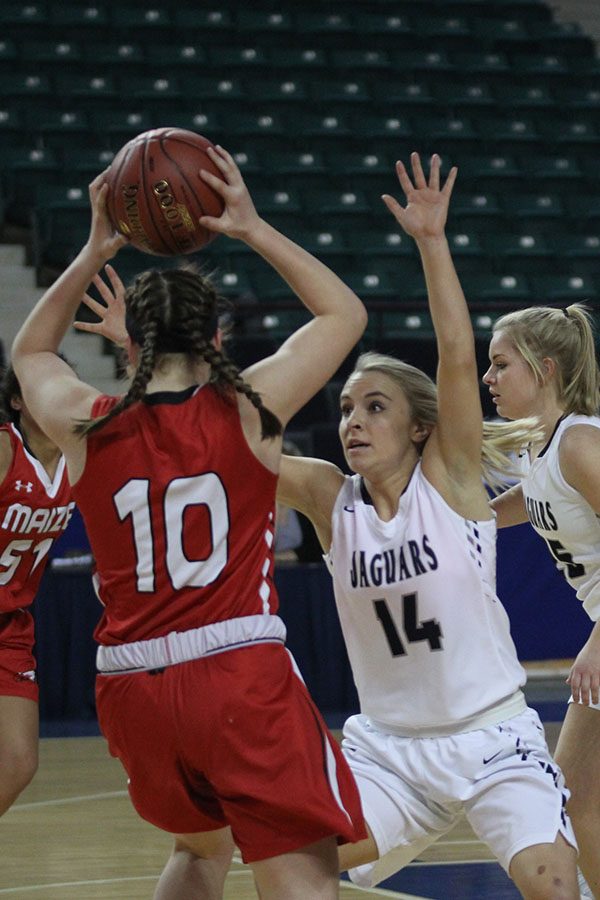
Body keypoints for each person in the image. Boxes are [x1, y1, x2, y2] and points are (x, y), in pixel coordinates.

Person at [11, 145, 368, 900]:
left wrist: (94, 244)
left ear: (130, 345)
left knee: (199, 849)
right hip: (236, 670)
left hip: (132, 684)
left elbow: (31, 351)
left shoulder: (86, 423)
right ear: (217, 339)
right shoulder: (250, 408)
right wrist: (251, 226)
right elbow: (345, 313)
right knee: (299, 874)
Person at [277, 152, 580, 898]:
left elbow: (453, 352)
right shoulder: (326, 497)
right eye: (346, 407)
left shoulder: (450, 482)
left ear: (420, 429)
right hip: (389, 753)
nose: (352, 420)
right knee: (293, 868)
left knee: (550, 881)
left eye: (374, 406)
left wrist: (432, 243)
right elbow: (234, 445)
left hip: (492, 739)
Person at [483, 304, 600, 899]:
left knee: (575, 793)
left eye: (500, 364)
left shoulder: (580, 442)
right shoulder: (541, 447)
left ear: (545, 369)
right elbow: (510, 506)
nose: (489, 377)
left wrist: (598, 643)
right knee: (575, 794)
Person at [0, 366, 72, 816]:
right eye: (39, 388)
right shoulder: (4, 448)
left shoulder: (79, 455)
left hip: (11, 625)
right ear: (17, 402)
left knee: (19, 762)